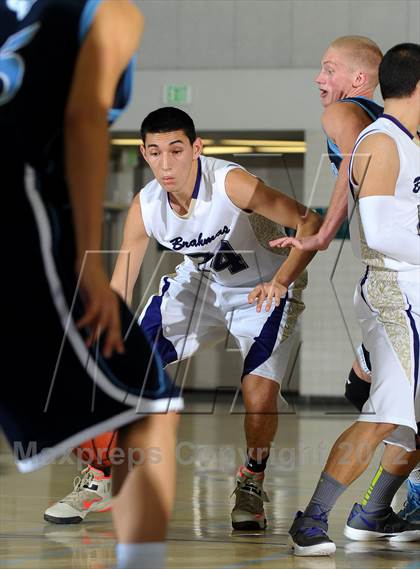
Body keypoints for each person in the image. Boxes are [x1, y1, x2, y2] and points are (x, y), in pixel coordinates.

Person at [45, 106, 322, 529]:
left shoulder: (231, 183)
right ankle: (99, 478)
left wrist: (283, 280)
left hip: (263, 290)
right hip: (202, 284)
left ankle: (251, 481)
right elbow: (122, 278)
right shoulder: (146, 205)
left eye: (176, 150)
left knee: (259, 396)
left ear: (197, 148)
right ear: (143, 153)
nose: (166, 162)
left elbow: (310, 222)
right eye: (155, 152)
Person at [0, 2, 182, 568]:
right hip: (18, 208)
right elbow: (83, 119)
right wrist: (90, 265)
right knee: (149, 408)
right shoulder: (107, 11)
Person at [271, 35, 420, 525]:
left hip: (399, 276)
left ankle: (378, 509)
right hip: (392, 281)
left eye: (327, 69)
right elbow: (362, 172)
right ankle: (321, 518)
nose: (319, 78)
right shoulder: (359, 122)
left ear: (361, 78)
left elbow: (352, 170)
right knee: (384, 411)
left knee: (400, 414)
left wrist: (323, 233)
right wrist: (325, 232)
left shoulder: (377, 129)